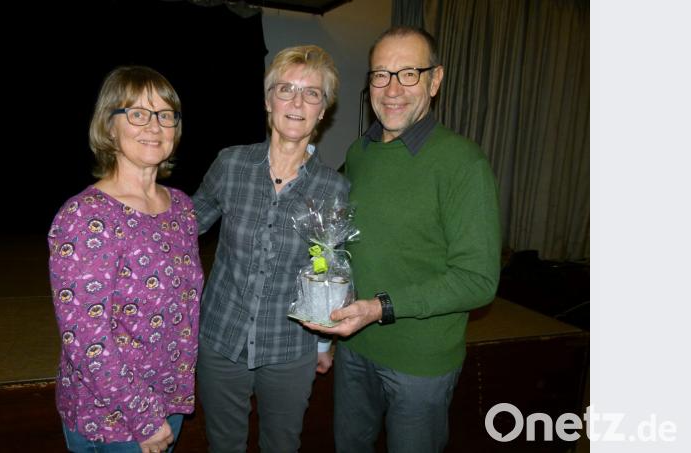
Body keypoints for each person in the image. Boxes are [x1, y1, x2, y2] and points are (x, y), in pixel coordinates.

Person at [303, 27, 501, 453]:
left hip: (420, 365)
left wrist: (380, 308)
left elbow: (478, 280)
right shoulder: (360, 153)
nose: (392, 89)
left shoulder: (462, 163)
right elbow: (337, 242)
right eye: (380, 74)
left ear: (435, 80)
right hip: (354, 347)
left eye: (408, 73)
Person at [191, 45, 349, 453]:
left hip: (289, 348)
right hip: (221, 338)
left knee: (282, 444)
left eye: (312, 93)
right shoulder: (230, 164)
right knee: (223, 444)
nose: (297, 102)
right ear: (267, 100)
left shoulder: (334, 187)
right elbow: (185, 227)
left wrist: (323, 343)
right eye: (286, 89)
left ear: (323, 109)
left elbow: (329, 270)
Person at [47, 66, 203, 453]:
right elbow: (85, 338)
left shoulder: (182, 208)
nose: (154, 126)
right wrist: (144, 418)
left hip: (168, 403)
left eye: (165, 115)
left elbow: (182, 312)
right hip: (113, 420)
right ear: (109, 127)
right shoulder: (86, 217)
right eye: (137, 113)